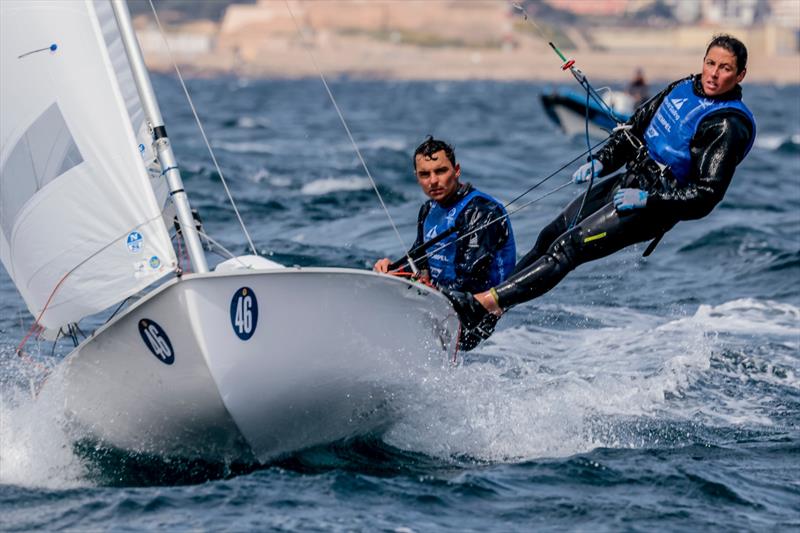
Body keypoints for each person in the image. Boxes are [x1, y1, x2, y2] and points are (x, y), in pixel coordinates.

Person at [444, 34, 756, 346]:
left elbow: (706, 196)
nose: (714, 73)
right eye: (710, 63)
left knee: (568, 247)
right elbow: (633, 130)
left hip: (651, 206)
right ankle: (483, 317)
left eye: (725, 68)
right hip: (627, 182)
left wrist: (649, 200)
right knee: (551, 235)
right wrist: (600, 162)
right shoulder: (682, 88)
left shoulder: (727, 125)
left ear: (740, 75)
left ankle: (481, 304)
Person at [374, 136, 516, 349]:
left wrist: (421, 287)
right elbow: (420, 260)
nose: (433, 181)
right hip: (439, 300)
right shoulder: (428, 209)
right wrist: (393, 270)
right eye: (425, 174)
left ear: (456, 170)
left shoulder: (479, 211)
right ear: (417, 177)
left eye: (440, 171)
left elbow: (472, 279)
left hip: (474, 315)